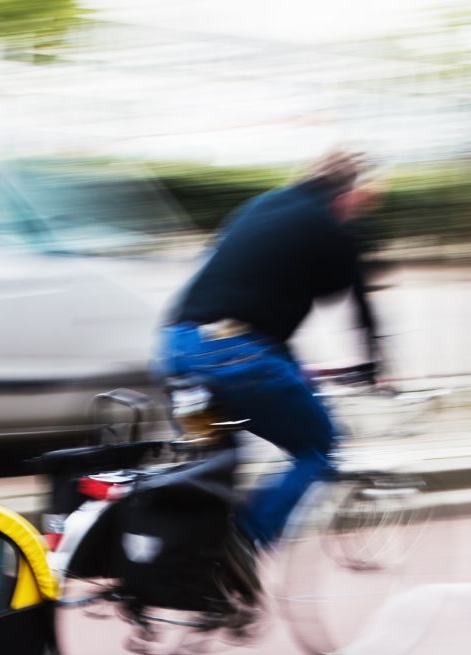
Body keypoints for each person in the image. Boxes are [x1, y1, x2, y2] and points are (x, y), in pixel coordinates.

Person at [155, 150, 385, 551]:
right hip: (235, 357)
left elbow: (245, 294)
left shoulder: (263, 204)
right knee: (318, 445)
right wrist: (373, 368)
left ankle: (198, 569)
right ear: (347, 195)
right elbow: (360, 308)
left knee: (217, 463)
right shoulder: (329, 226)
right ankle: (247, 545)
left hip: (180, 349)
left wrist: (292, 366)